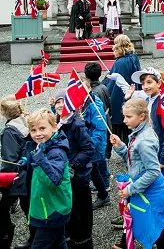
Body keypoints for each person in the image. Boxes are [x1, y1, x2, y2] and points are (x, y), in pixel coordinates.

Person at [109, 98, 164, 248]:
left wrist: (130, 189)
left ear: (141, 116)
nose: (124, 120)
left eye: (128, 117)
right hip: (144, 187)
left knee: (148, 219)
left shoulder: (144, 140)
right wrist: (121, 146)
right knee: (146, 218)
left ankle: (125, 245)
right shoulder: (139, 133)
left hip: (148, 189)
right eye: (124, 116)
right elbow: (134, 160)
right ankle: (126, 244)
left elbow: (153, 171)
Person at [51, 93, 95, 249]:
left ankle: (83, 244)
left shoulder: (77, 124)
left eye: (64, 101)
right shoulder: (57, 122)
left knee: (79, 216)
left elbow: (88, 148)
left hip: (77, 178)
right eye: (57, 102)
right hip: (64, 178)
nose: (60, 105)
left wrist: (72, 165)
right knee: (67, 215)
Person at [25, 108, 72, 249]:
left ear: (54, 127)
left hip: (51, 210)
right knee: (59, 242)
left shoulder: (56, 152)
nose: (38, 134)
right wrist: (26, 160)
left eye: (42, 128)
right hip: (51, 207)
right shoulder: (44, 146)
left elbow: (54, 180)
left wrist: (39, 159)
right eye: (33, 130)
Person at [130, 68, 164, 195]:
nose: (145, 86)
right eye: (143, 83)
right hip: (152, 153)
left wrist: (163, 159)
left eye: (149, 82)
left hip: (162, 157)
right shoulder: (148, 101)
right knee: (157, 191)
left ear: (159, 83)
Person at [104, 34, 141, 162]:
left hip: (120, 96)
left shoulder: (120, 62)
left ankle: (109, 153)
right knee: (130, 126)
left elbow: (112, 82)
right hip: (133, 94)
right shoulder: (133, 57)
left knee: (115, 125)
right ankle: (131, 152)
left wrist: (104, 89)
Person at [0, 97, 30, 249]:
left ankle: (6, 237)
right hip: (29, 172)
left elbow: (9, 160)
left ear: (4, 113)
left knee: (4, 209)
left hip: (18, 177)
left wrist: (3, 183)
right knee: (29, 207)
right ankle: (34, 237)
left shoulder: (9, 131)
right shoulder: (25, 121)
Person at [84, 62, 111, 191]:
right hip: (106, 121)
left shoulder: (93, 94)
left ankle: (104, 183)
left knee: (100, 159)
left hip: (99, 126)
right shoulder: (104, 87)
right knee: (102, 157)